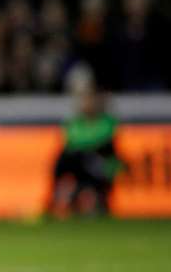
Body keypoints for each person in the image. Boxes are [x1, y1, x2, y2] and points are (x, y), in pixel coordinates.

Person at [48, 85, 123, 217]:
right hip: (78, 163)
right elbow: (71, 141)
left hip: (101, 163)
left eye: (90, 101)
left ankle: (94, 202)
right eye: (85, 101)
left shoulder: (107, 122)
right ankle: (56, 201)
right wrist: (83, 148)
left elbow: (101, 144)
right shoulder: (75, 123)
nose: (87, 104)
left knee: (84, 157)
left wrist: (83, 147)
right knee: (65, 158)